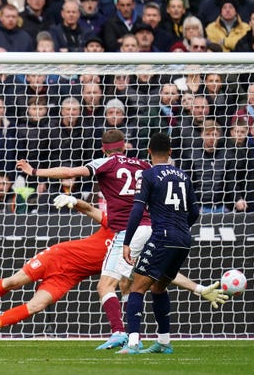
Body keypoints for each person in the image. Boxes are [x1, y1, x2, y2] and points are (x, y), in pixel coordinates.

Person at [17, 129, 152, 350]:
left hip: (126, 232)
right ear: (124, 145)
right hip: (150, 227)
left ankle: (118, 331)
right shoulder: (142, 165)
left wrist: (34, 171)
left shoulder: (105, 163)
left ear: (103, 149)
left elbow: (69, 171)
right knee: (129, 285)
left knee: (105, 286)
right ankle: (138, 337)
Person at [118, 132, 200, 354]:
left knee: (136, 286)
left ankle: (133, 343)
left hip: (163, 236)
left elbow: (137, 210)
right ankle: (164, 342)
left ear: (149, 152)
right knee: (158, 287)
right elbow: (195, 212)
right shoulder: (184, 176)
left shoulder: (147, 175)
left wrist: (127, 242)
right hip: (183, 239)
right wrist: (181, 229)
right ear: (171, 152)